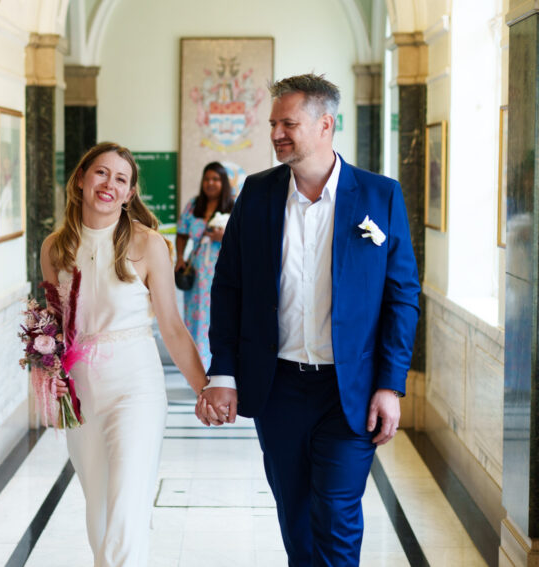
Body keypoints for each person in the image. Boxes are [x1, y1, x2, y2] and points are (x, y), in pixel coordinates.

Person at [197, 74, 420, 566]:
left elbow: (401, 297)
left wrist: (391, 384)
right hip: (277, 386)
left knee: (337, 513)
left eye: (288, 123)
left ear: (325, 124)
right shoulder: (256, 194)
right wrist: (224, 370)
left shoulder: (379, 196)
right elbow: (228, 286)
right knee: (295, 515)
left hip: (350, 390)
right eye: (273, 122)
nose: (276, 132)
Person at [40, 142, 208, 566]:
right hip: (81, 397)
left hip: (136, 388)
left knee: (126, 507)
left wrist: (204, 389)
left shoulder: (149, 244)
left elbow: (171, 326)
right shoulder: (54, 248)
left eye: (121, 179)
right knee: (99, 512)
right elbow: (54, 328)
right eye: (101, 173)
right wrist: (50, 371)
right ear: (81, 178)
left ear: (130, 193)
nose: (108, 185)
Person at [175, 162, 235, 368]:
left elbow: (245, 238)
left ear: (224, 182)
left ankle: (218, 369)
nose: (210, 183)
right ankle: (197, 370)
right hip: (197, 270)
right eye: (207, 179)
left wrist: (223, 235)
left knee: (219, 318)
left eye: (216, 179)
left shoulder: (234, 206)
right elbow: (182, 234)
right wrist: (180, 258)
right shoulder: (193, 205)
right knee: (195, 320)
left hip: (224, 269)